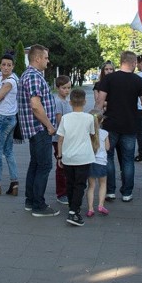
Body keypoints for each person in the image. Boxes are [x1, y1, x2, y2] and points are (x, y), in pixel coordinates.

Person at [93, 51, 142, 202]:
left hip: (111, 124)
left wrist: (96, 120)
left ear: (121, 61)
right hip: (130, 125)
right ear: (133, 63)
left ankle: (110, 191)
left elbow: (99, 102)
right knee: (128, 159)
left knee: (108, 157)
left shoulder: (109, 79)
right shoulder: (139, 81)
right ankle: (127, 192)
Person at [19, 44, 59, 217]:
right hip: (40, 128)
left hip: (35, 129)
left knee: (35, 164)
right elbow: (35, 105)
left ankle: (30, 200)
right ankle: (38, 205)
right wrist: (49, 125)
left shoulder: (28, 75)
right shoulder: (34, 77)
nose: (47, 61)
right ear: (37, 58)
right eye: (46, 57)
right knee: (44, 166)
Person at [56, 88, 96, 227]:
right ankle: (74, 211)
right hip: (84, 157)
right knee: (80, 185)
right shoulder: (89, 118)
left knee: (70, 183)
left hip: (68, 156)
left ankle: (72, 207)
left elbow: (60, 139)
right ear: (85, 102)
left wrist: (59, 156)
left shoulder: (65, 118)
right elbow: (91, 135)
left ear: (70, 102)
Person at [0, 53, 19, 197]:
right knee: (8, 151)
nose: (6, 67)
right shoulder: (3, 78)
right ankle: (14, 183)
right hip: (9, 118)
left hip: (3, 118)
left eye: (9, 65)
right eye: (3, 64)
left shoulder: (10, 82)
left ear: (13, 67)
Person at [52, 75, 72, 204]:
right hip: (59, 138)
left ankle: (66, 189)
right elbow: (60, 121)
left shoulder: (66, 101)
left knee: (67, 164)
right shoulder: (58, 101)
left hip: (67, 137)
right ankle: (61, 192)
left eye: (69, 88)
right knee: (61, 165)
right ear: (58, 88)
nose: (67, 90)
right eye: (64, 88)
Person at [85, 113, 110, 218]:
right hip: (101, 162)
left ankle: (90, 209)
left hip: (90, 161)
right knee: (103, 184)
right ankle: (100, 205)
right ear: (101, 121)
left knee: (91, 186)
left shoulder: (87, 133)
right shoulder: (104, 133)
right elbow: (108, 148)